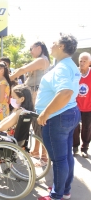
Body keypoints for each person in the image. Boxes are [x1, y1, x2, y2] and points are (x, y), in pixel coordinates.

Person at [35, 34, 81, 200]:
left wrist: (45, 113)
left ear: (62, 46)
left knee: (59, 159)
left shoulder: (62, 67)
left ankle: (57, 195)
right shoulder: (70, 65)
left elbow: (66, 92)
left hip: (57, 117)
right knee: (66, 156)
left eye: (54, 42)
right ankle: (63, 190)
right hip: (69, 113)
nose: (51, 45)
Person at [10, 41, 50, 162]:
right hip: (34, 96)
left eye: (31, 48)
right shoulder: (42, 60)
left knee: (39, 126)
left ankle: (43, 157)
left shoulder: (42, 60)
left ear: (39, 48)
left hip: (36, 96)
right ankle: (36, 151)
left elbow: (23, 69)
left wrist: (9, 78)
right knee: (36, 125)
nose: (30, 51)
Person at [73, 52, 91, 158]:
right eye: (80, 61)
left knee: (87, 128)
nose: (82, 63)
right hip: (75, 106)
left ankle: (84, 148)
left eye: (85, 61)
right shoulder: (75, 73)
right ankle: (74, 147)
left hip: (88, 106)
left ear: (89, 63)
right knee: (74, 127)